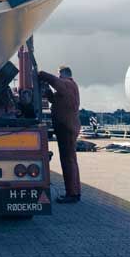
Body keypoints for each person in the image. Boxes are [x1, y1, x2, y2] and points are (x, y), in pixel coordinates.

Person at [38, 66, 81, 203]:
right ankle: (74, 192)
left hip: (66, 127)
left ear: (63, 74)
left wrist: (40, 74)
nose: (58, 77)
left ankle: (72, 193)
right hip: (67, 127)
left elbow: (56, 82)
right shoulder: (68, 90)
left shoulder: (68, 84)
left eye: (59, 74)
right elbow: (56, 100)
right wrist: (48, 92)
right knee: (70, 160)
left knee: (68, 161)